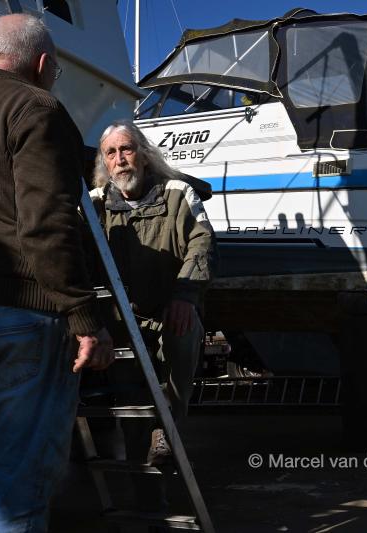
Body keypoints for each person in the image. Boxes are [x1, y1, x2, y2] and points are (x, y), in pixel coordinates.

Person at [0, 14, 114, 532]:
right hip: (22, 313)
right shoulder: (35, 107)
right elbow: (47, 223)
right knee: (21, 486)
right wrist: (84, 317)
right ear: (42, 64)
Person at [91, 120, 215, 466]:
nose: (120, 160)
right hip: (121, 323)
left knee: (184, 331)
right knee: (133, 415)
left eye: (126, 149)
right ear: (104, 163)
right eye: (110, 153)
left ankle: (168, 428)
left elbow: (202, 243)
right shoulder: (94, 204)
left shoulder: (177, 192)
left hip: (169, 311)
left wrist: (185, 295)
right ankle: (144, 485)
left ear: (144, 155)